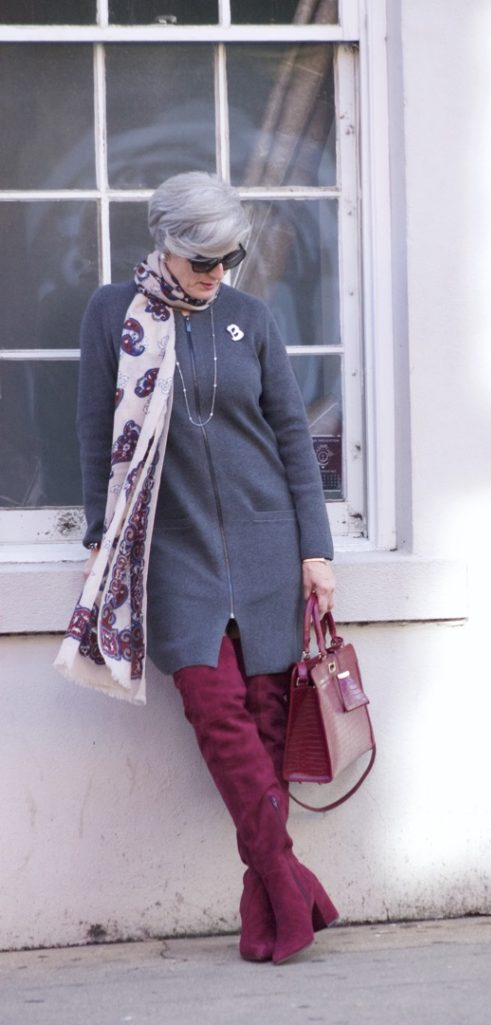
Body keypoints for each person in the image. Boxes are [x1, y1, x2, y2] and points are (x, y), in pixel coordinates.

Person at [55, 171, 338, 964]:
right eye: (202, 261)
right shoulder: (115, 314)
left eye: (229, 260)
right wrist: (103, 536)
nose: (217, 275)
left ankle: (269, 917)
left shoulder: (251, 318)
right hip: (173, 556)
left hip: (268, 554)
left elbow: (292, 438)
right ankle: (292, 884)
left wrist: (315, 550)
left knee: (269, 728)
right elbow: (92, 428)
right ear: (166, 246)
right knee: (219, 719)